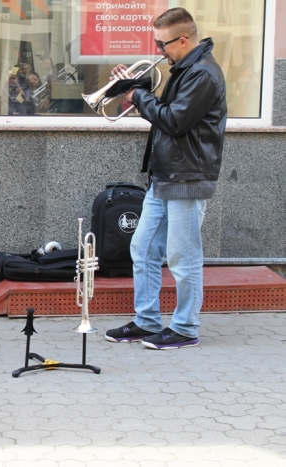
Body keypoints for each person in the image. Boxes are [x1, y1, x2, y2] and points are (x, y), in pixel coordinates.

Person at [104, 7, 227, 350]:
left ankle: (186, 327)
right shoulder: (185, 68)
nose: (158, 51)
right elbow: (170, 114)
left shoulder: (202, 74)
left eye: (162, 44)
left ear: (183, 40)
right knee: (142, 248)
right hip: (166, 175)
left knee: (182, 259)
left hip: (187, 178)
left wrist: (138, 96)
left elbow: (174, 121)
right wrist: (137, 86)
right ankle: (147, 321)